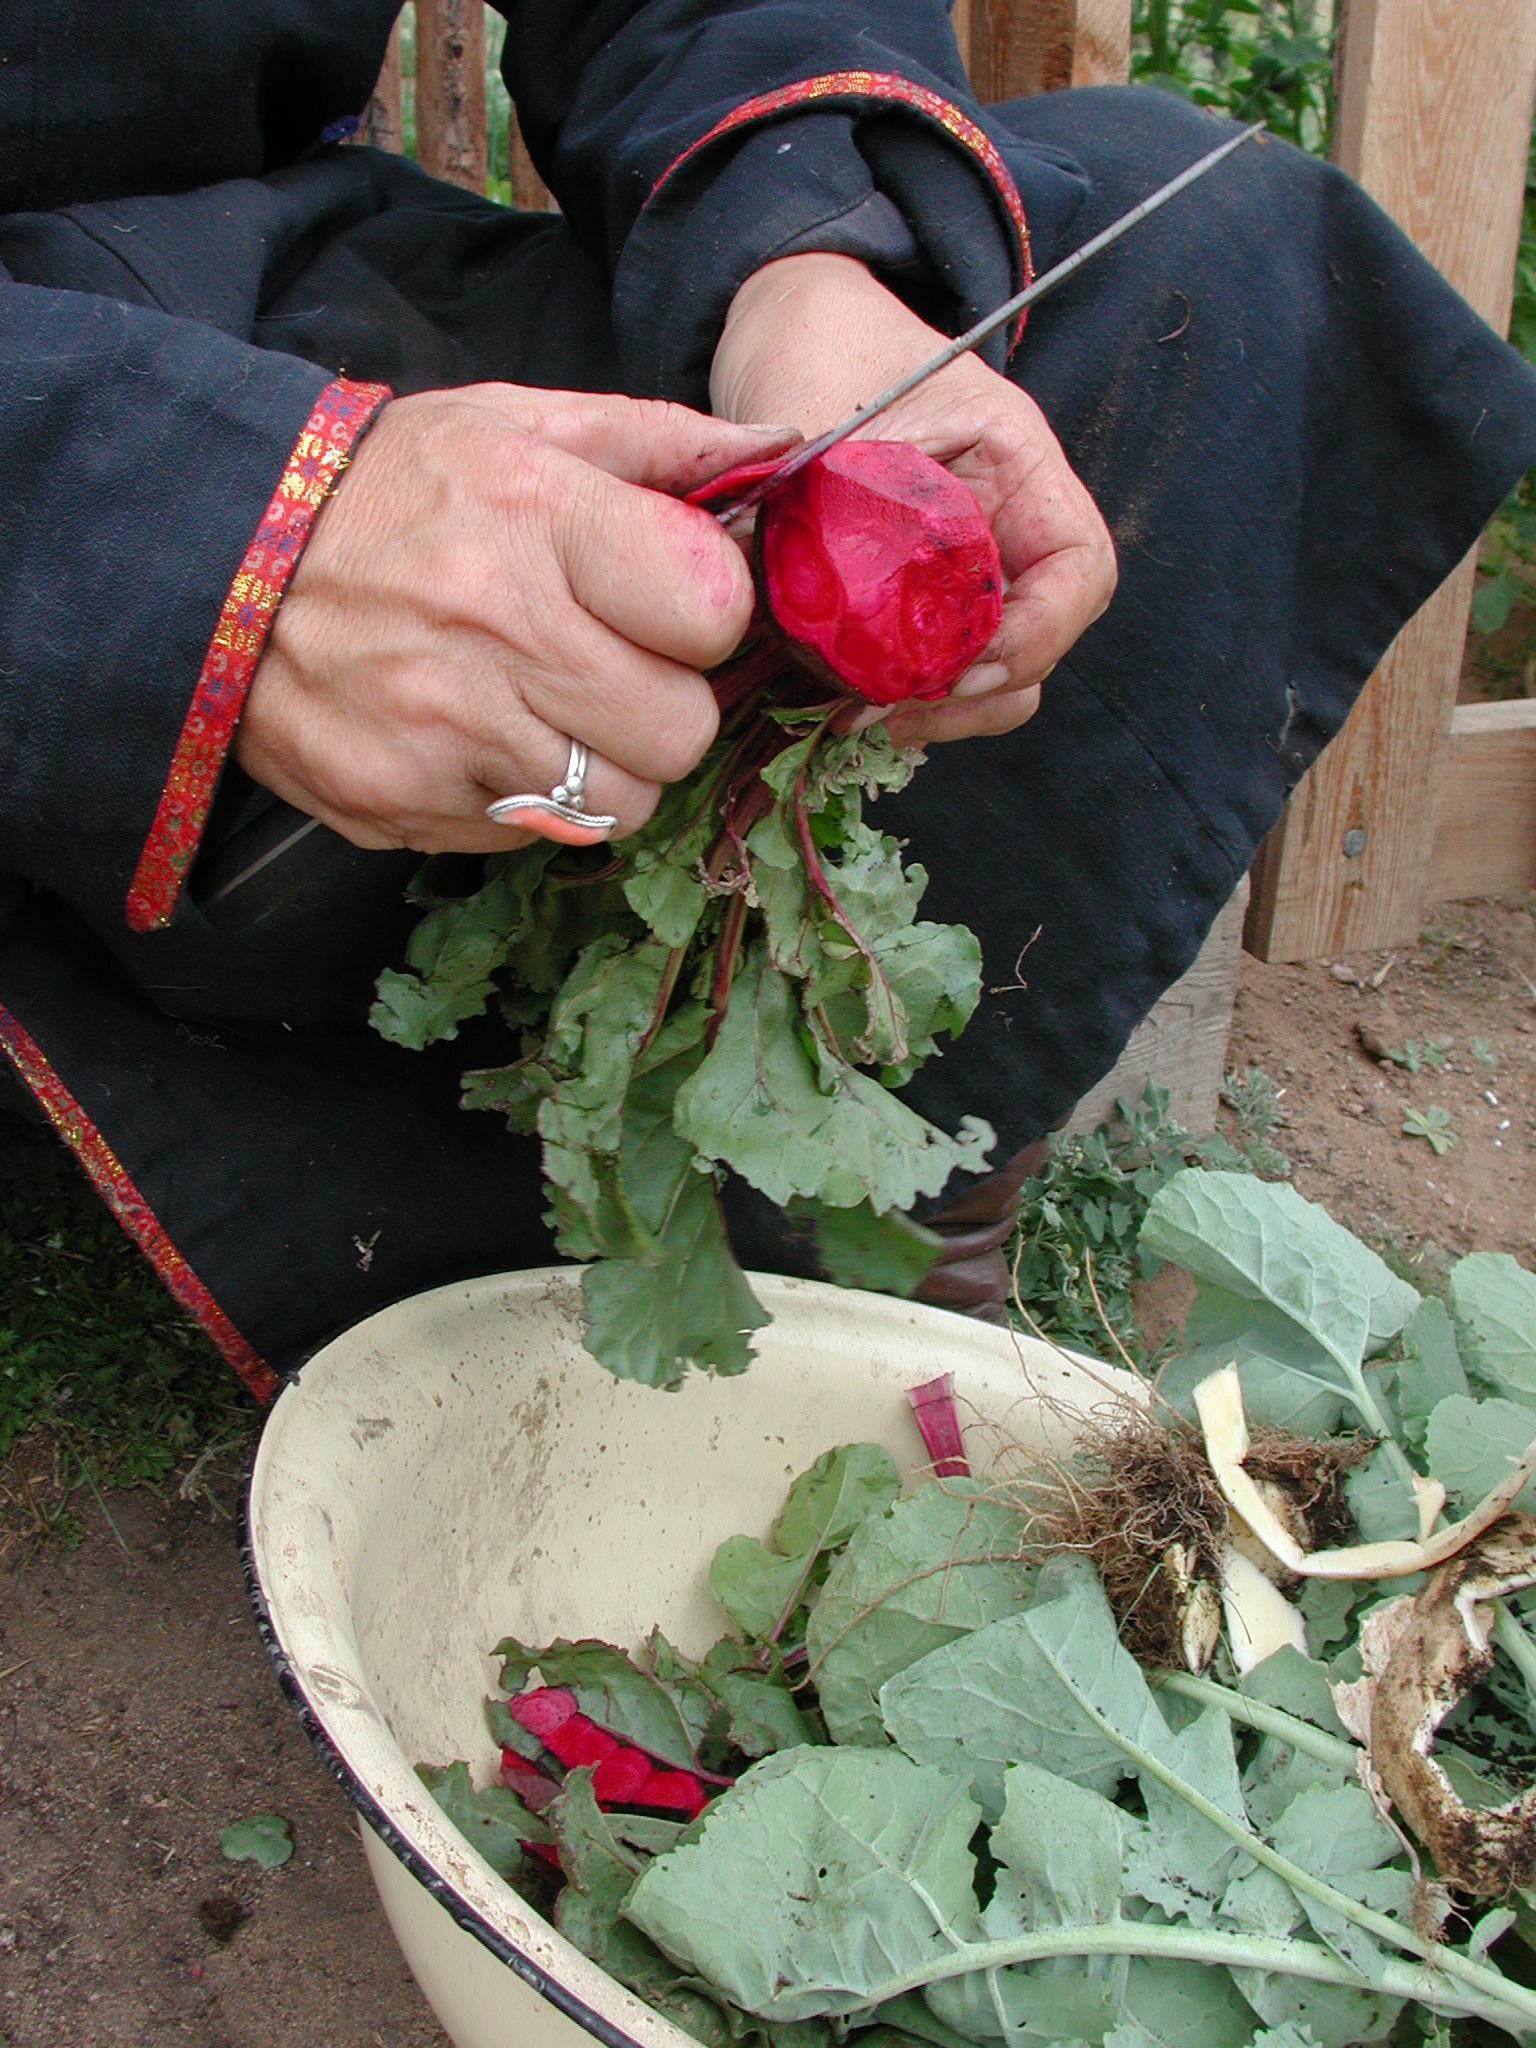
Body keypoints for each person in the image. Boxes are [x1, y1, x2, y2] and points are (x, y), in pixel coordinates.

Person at [1, 3, 1532, 1396]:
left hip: (285, 276)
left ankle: (894, 1205)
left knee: (1220, 234)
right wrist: (211, 537)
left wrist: (807, 260)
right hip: (50, 398)